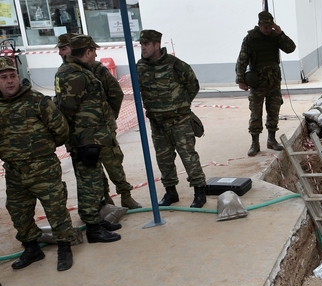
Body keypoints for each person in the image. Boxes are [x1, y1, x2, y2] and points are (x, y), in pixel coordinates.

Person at [0, 56, 76, 270]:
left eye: (12, 76)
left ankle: (64, 247)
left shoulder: (37, 101)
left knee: (56, 209)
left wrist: (42, 150)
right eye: (4, 77)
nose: (9, 81)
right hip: (15, 171)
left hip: (44, 168)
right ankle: (32, 248)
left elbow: (61, 130)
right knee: (18, 212)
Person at [55, 33, 142, 210]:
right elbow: (65, 106)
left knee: (114, 164)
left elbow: (115, 93)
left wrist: (109, 117)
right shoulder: (67, 73)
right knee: (92, 170)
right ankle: (105, 202)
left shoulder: (94, 69)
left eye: (64, 48)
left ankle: (125, 196)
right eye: (60, 49)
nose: (61, 53)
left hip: (102, 131)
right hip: (82, 136)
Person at [54, 35, 122, 243]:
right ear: (88, 52)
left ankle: (97, 220)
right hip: (84, 140)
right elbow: (66, 109)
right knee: (89, 184)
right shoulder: (74, 74)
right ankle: (93, 226)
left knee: (95, 180)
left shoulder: (79, 71)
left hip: (92, 138)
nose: (96, 55)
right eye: (94, 51)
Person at [136, 30, 207, 208]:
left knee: (188, 157)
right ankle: (171, 192)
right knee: (164, 160)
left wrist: (181, 105)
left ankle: (199, 191)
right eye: (141, 44)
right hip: (157, 123)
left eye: (146, 44)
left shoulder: (176, 65)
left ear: (157, 45)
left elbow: (193, 85)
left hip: (179, 122)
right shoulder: (140, 67)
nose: (143, 47)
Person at [235, 11, 296, 156]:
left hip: (274, 81)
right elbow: (242, 60)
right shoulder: (250, 38)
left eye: (270, 27)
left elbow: (290, 48)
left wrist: (281, 33)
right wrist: (240, 80)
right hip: (258, 82)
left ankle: (271, 140)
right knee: (256, 113)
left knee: (274, 111)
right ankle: (255, 143)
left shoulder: (275, 36)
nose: (268, 30)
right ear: (259, 24)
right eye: (265, 27)